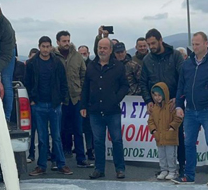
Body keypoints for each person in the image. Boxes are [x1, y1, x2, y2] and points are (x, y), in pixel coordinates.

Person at [173, 32, 208, 186]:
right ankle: (189, 175)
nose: (195, 47)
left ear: (206, 43)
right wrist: (178, 105)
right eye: (193, 44)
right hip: (190, 110)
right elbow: (181, 87)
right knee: (188, 143)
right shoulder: (187, 64)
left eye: (197, 44)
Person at [81, 38, 130, 179]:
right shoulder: (91, 66)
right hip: (95, 110)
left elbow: (125, 86)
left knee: (116, 140)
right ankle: (99, 169)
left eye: (105, 48)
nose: (102, 50)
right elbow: (85, 88)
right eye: (100, 47)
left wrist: (116, 98)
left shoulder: (118, 66)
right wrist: (83, 105)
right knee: (98, 141)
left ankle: (120, 169)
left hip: (112, 110)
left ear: (110, 50)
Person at [25, 36, 72, 176]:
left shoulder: (57, 62)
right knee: (42, 138)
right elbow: (27, 81)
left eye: (48, 46)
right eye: (43, 46)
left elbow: (64, 81)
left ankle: (61, 164)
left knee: (56, 136)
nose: (45, 49)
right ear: (39, 47)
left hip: (54, 105)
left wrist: (63, 99)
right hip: (38, 104)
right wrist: (32, 99)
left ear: (51, 47)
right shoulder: (32, 63)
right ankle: (41, 166)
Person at [140, 28, 186, 170]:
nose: (151, 47)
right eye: (149, 44)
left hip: (173, 103)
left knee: (177, 136)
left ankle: (183, 166)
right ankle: (165, 168)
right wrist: (148, 100)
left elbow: (184, 79)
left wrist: (178, 100)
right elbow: (143, 82)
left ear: (161, 40)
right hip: (157, 105)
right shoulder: (147, 59)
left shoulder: (176, 55)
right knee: (161, 138)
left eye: (153, 43)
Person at [54, 30, 90, 168]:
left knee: (78, 129)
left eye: (68, 40)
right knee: (60, 130)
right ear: (58, 42)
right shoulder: (54, 57)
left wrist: (81, 91)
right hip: (60, 100)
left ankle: (81, 158)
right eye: (64, 41)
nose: (67, 43)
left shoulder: (77, 56)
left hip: (76, 98)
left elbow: (83, 75)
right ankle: (59, 159)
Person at [148, 82, 182, 181]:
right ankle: (164, 169)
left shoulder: (171, 106)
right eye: (155, 95)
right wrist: (153, 130)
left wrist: (172, 127)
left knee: (170, 154)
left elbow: (178, 119)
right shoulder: (154, 108)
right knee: (162, 154)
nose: (157, 98)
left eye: (159, 95)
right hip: (159, 136)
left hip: (170, 136)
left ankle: (172, 170)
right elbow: (150, 120)